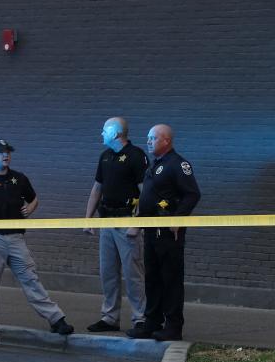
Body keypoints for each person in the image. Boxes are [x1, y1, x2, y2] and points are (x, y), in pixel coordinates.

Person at [0, 138, 74, 347]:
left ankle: (57, 319)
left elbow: (34, 198)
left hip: (16, 238)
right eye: (1, 152)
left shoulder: (19, 179)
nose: (6, 155)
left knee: (30, 278)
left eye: (8, 152)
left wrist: (31, 209)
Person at [127, 124, 200, 341]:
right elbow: (149, 201)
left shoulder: (179, 164)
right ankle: (152, 323)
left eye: (153, 138)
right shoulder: (155, 165)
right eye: (148, 138)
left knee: (170, 280)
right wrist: (138, 224)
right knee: (153, 279)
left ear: (166, 141)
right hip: (151, 231)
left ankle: (173, 326)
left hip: (169, 234)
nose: (148, 141)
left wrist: (178, 219)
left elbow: (192, 194)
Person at [83, 117, 149, 332]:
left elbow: (146, 193)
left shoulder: (136, 156)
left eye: (104, 130)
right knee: (108, 272)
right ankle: (110, 317)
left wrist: (137, 224)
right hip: (107, 222)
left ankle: (140, 318)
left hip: (127, 221)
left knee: (133, 273)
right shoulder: (105, 157)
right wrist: (88, 218)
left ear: (115, 132)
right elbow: (96, 189)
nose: (101, 133)